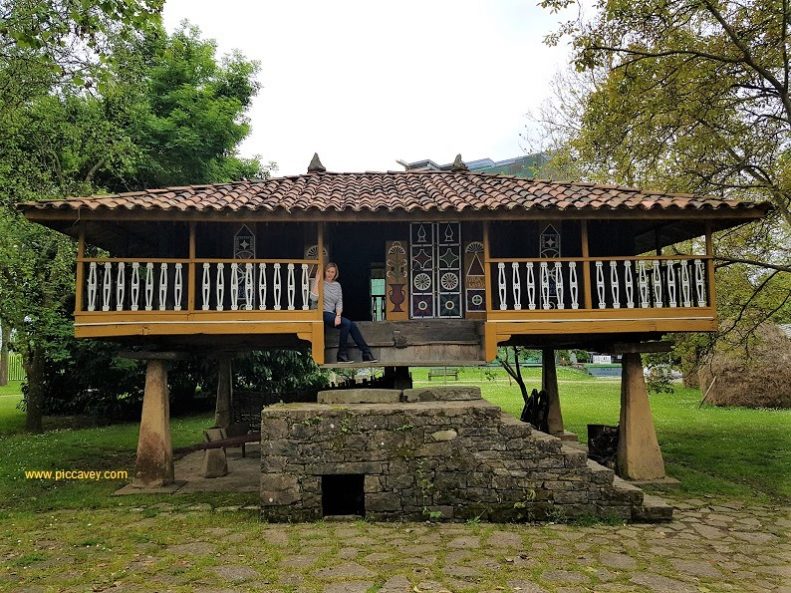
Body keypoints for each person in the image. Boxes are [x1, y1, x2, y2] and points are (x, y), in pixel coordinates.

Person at [310, 262, 377, 363]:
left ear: (335, 273)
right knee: (347, 323)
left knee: (351, 325)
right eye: (328, 271)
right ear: (325, 271)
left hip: (332, 314)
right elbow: (313, 298)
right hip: (320, 313)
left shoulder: (337, 285)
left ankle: (365, 353)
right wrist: (317, 280)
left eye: (332, 272)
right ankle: (344, 354)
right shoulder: (319, 283)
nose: (330, 274)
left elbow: (339, 302)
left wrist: (338, 315)